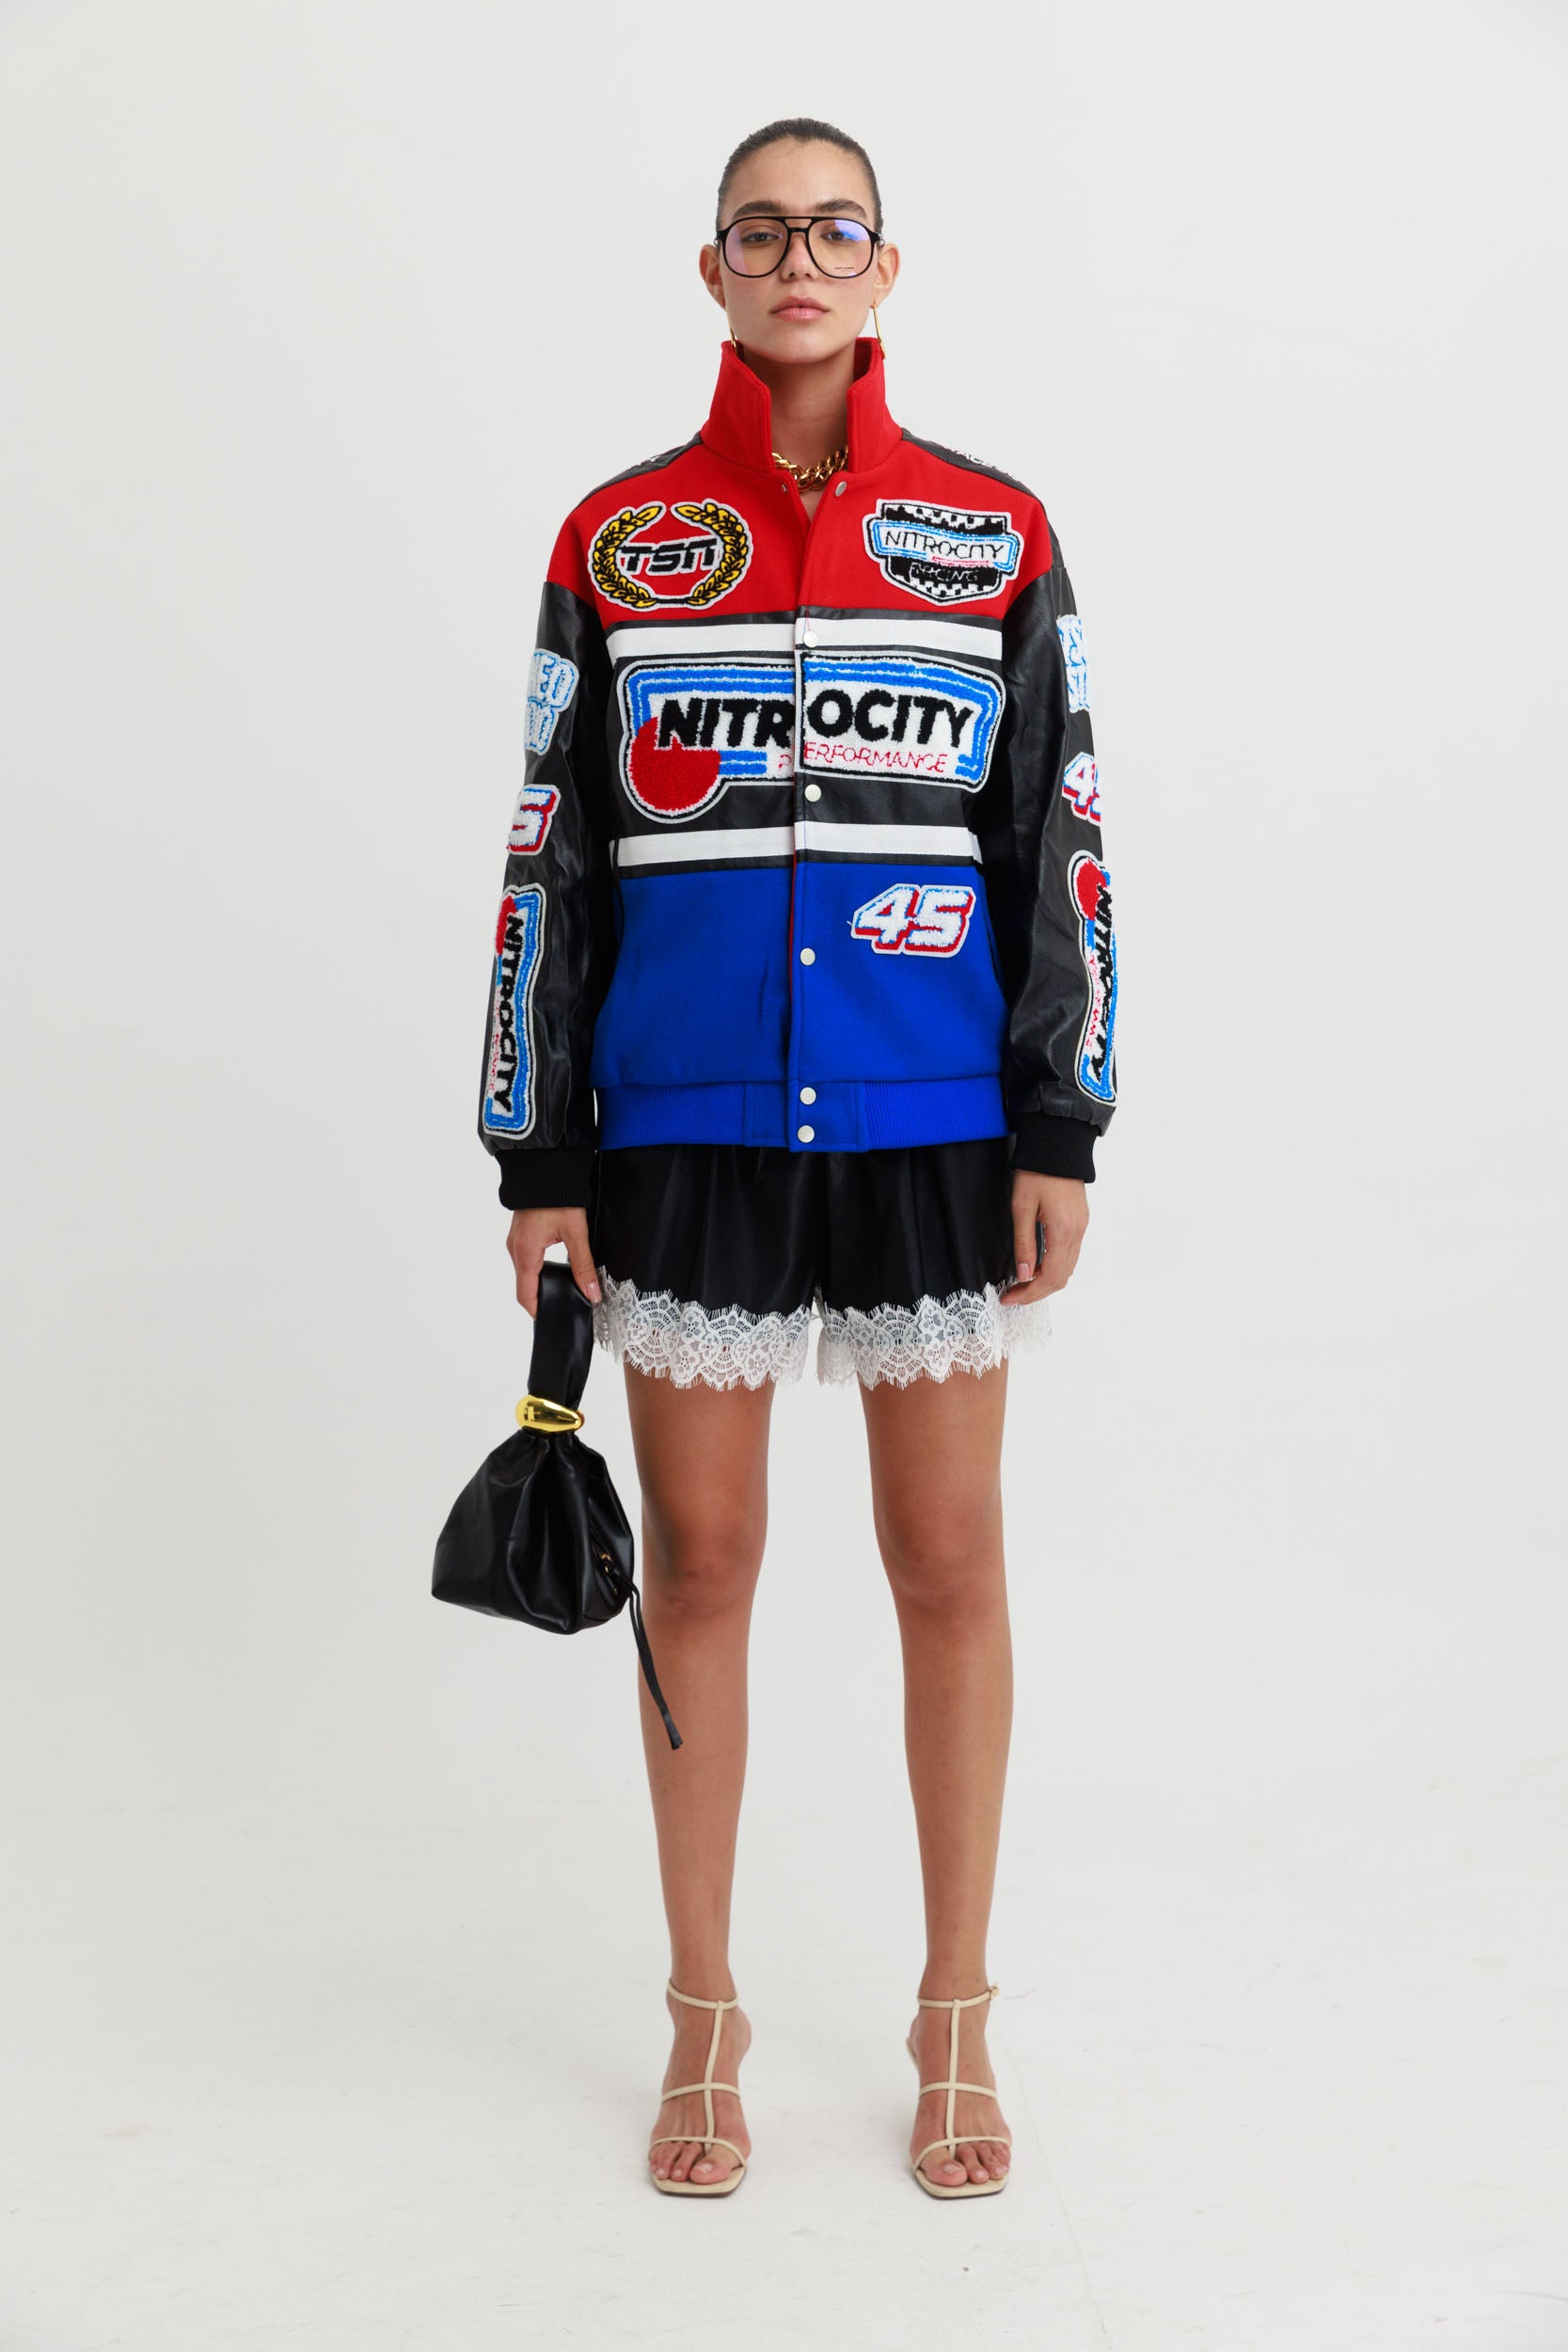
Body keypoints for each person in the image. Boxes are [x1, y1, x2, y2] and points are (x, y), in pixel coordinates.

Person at [473, 117, 1118, 2198]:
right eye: (763, 230)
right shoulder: (617, 536)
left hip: (937, 1126)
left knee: (951, 1561)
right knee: (703, 1565)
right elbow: (551, 849)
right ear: (715, 271)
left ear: (886, 265)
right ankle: (703, 2011)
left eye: (836, 227)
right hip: (681, 1133)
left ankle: (956, 2012)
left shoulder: (995, 532)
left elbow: (1057, 830)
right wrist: (538, 1150)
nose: (801, 258)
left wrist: (1061, 1114)